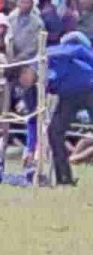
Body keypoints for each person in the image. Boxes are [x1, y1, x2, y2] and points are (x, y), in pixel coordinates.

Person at [45, 31, 93, 187]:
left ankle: (64, 177)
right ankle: (64, 178)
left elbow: (79, 50)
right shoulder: (53, 55)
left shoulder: (64, 51)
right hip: (69, 94)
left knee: (54, 131)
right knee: (54, 131)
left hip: (87, 89)